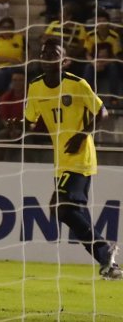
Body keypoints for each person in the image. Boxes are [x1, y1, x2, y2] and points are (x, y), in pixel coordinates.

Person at [24, 39, 122, 280]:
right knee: (73, 212)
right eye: (44, 53)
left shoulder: (77, 84)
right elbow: (30, 121)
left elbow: (102, 112)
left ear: (64, 61)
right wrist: (19, 125)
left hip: (80, 156)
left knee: (60, 208)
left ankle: (104, 249)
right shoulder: (35, 87)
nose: (48, 56)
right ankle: (108, 262)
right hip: (60, 159)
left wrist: (81, 135)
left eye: (54, 53)